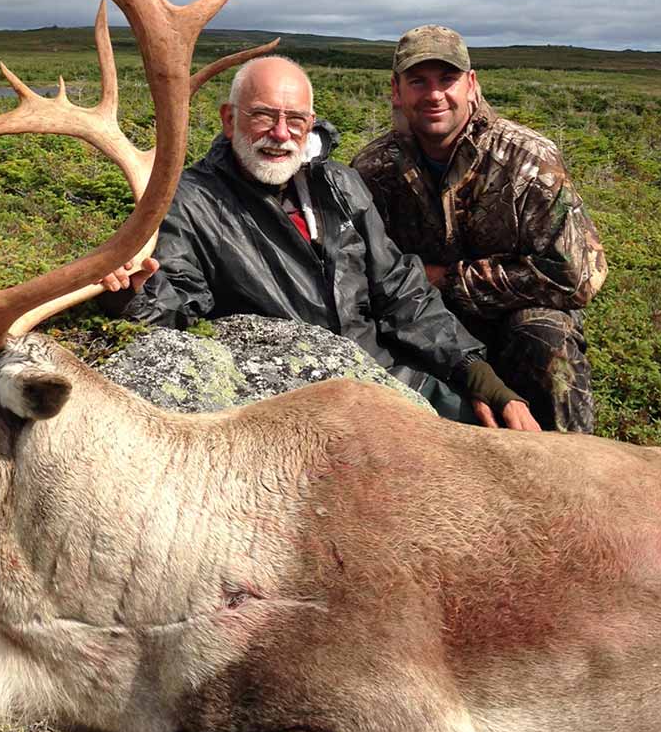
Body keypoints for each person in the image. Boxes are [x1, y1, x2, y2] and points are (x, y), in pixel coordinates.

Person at [101, 55, 541, 431]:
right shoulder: (189, 200)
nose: (279, 133)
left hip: (389, 379)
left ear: (310, 125)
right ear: (229, 118)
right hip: (293, 405)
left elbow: (400, 291)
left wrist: (474, 372)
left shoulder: (341, 185)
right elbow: (176, 308)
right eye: (262, 115)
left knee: (507, 448)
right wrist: (133, 295)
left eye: (295, 120)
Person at [351, 25, 607, 433]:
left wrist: (445, 279)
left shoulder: (528, 160)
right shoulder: (372, 168)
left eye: (447, 80)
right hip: (423, 322)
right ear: (397, 91)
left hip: (515, 327)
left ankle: (574, 463)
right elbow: (363, 272)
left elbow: (577, 277)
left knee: (546, 334)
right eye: (418, 81)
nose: (434, 95)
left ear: (471, 84)